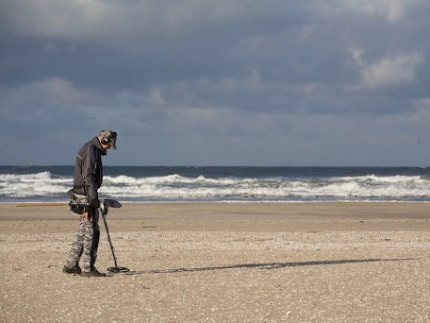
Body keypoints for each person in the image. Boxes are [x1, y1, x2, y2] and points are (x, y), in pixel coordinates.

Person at [63, 129, 117, 277]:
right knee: (92, 232)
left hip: (83, 194)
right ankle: (88, 268)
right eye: (110, 144)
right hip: (85, 196)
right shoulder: (91, 149)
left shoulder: (91, 148)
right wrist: (93, 198)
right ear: (104, 140)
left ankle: (71, 265)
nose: (110, 148)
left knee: (83, 231)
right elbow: (88, 175)